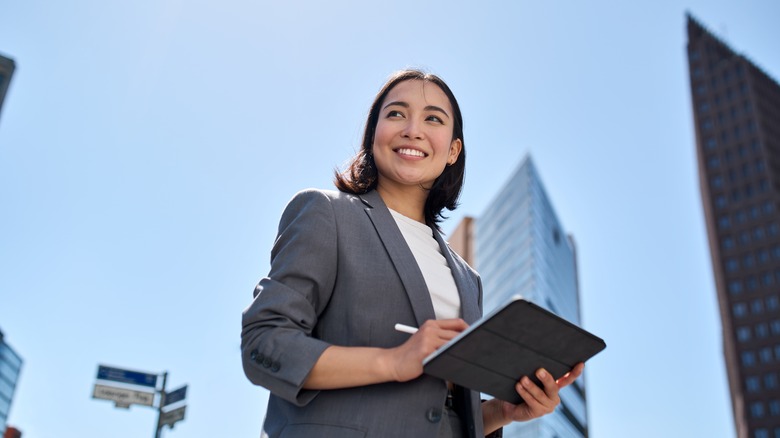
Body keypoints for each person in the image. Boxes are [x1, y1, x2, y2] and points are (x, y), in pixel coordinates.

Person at [241, 69, 584, 438]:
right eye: (396, 114)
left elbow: (438, 416)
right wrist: (392, 361)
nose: (412, 130)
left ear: (453, 150)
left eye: (433, 118)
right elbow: (264, 343)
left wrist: (502, 411)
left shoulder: (469, 280)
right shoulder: (326, 213)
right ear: (374, 135)